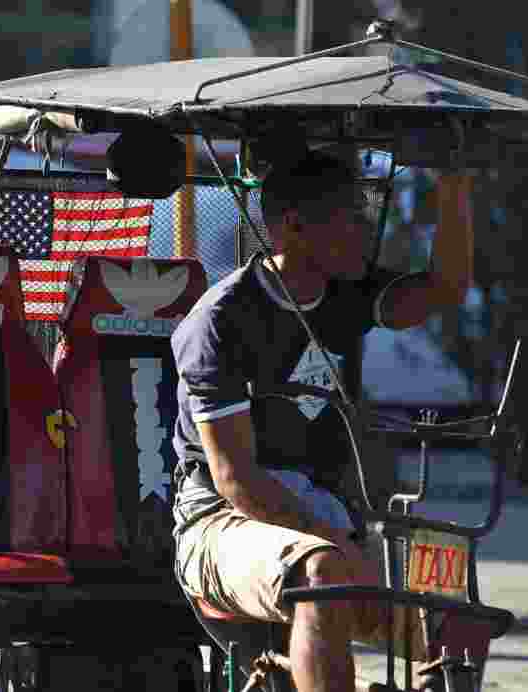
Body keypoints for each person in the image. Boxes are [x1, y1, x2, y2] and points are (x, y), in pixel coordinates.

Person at [170, 150, 473, 692]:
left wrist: (454, 181)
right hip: (220, 524)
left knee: (453, 597)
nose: (364, 228)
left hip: (329, 522)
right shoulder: (220, 322)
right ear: (294, 227)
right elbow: (237, 481)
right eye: (350, 216)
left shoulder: (347, 293)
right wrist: (338, 542)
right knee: (324, 573)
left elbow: (444, 290)